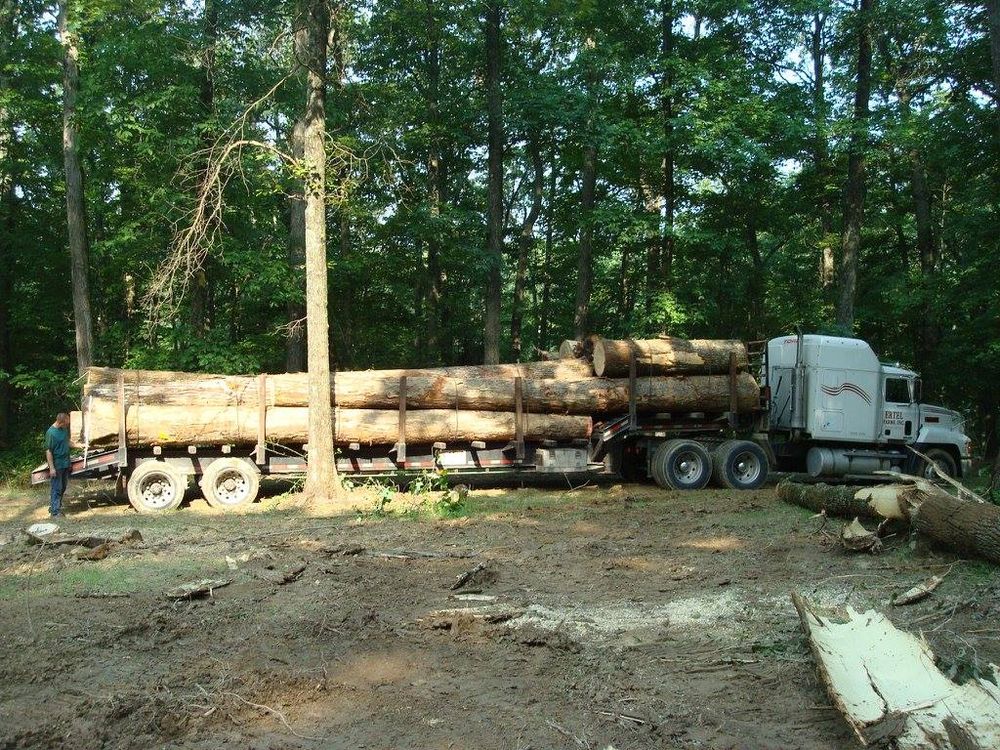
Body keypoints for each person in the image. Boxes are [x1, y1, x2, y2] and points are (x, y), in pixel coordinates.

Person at [45, 412, 72, 517]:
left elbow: (67, 442)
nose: (67, 426)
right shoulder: (51, 433)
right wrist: (52, 468)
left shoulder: (63, 430)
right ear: (60, 422)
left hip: (65, 463)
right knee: (57, 488)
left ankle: (55, 506)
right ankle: (55, 512)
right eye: (66, 424)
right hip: (57, 465)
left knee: (63, 487)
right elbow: (48, 451)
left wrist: (80, 445)